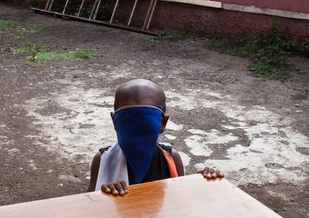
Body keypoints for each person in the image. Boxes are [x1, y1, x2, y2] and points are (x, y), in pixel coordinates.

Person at [87, 79, 223, 196]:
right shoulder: (102, 160)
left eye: (146, 121)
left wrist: (204, 181)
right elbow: (89, 202)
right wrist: (104, 194)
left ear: (162, 123)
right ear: (115, 122)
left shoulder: (171, 159)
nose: (137, 128)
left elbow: (180, 196)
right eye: (128, 121)